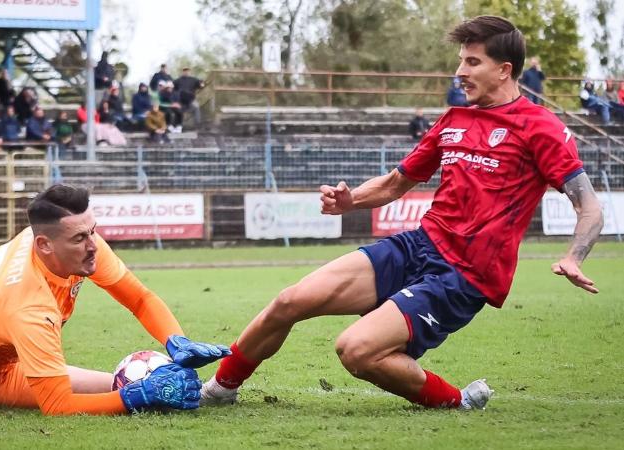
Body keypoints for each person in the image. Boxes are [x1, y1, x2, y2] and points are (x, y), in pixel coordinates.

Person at [200, 15, 603, 413]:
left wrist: (573, 256)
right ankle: (218, 390)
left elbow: (588, 206)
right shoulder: (454, 120)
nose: (460, 71)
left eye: (472, 62)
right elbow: (396, 183)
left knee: (356, 350)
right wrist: (350, 201)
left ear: (504, 70)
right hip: (418, 246)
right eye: (461, 60)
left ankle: (457, 400)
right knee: (290, 301)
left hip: (464, 276)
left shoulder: (541, 128)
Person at [0, 184, 228, 415]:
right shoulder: (29, 308)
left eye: (93, 231)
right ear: (44, 245)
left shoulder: (67, 242)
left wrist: (177, 340)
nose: (93, 245)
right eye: (80, 238)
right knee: (120, 386)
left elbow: (140, 298)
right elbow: (58, 406)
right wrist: (136, 397)